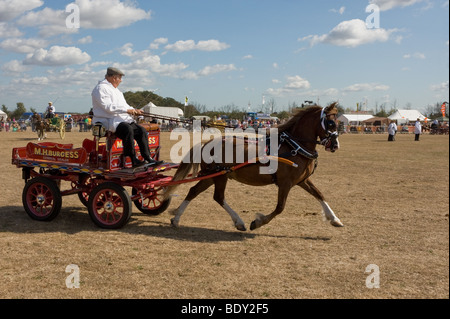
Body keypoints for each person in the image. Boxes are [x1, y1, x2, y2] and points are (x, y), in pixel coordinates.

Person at [92, 67, 162, 168]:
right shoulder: (100, 89)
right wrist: (127, 111)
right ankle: (132, 159)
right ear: (114, 78)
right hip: (107, 120)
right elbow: (108, 107)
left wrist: (135, 110)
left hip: (120, 120)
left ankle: (148, 157)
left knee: (141, 130)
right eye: (120, 78)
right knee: (127, 129)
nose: (121, 80)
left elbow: (125, 106)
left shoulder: (116, 91)